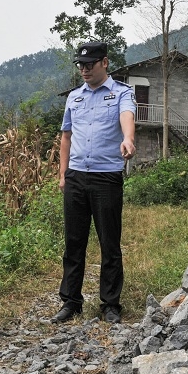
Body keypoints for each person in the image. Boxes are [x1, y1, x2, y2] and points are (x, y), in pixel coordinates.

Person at [52, 41, 136, 325]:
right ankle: (71, 302)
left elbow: (127, 116)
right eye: (81, 65)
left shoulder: (121, 93)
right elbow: (66, 136)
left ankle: (110, 304)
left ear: (105, 63)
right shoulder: (74, 97)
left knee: (109, 242)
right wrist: (63, 174)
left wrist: (128, 138)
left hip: (106, 176)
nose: (84, 70)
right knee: (74, 242)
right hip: (76, 175)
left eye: (90, 64)